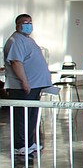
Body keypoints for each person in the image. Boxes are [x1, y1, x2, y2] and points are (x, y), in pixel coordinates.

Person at [4, 13, 51, 156]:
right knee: (22, 116)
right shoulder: (16, 40)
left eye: (30, 22)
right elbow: (16, 62)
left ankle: (30, 143)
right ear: (17, 25)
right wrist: (25, 81)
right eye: (25, 22)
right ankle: (20, 145)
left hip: (34, 86)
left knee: (31, 115)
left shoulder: (28, 39)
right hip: (22, 87)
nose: (28, 25)